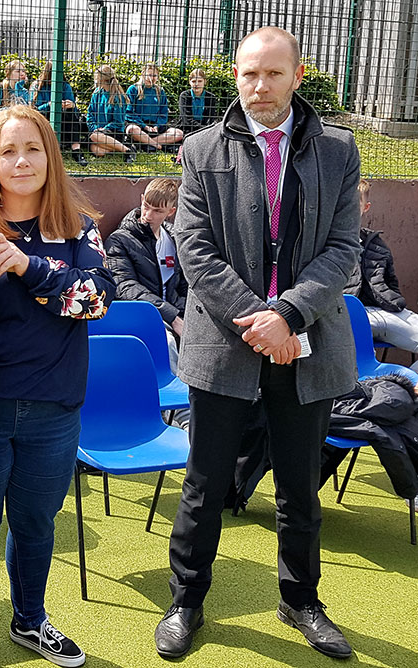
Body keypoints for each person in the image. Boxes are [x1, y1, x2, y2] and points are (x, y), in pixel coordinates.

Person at [155, 27, 361, 660]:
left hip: (306, 347)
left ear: (298, 75)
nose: (259, 86)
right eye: (249, 74)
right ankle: (187, 600)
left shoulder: (337, 150)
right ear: (236, 77)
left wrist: (290, 316)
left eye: (273, 74)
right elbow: (194, 249)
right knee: (205, 484)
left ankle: (301, 601)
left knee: (299, 486)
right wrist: (258, 318)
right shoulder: (200, 150)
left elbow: (343, 249)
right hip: (224, 344)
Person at [0, 103, 116, 668]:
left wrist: (29, 266)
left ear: (51, 156)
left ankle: (29, 621)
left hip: (54, 409)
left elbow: (95, 301)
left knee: (37, 524)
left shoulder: (79, 227)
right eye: (7, 150)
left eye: (32, 149)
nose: (21, 162)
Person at [104, 178, 185, 373]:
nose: (148, 215)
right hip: (141, 316)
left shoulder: (175, 238)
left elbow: (185, 284)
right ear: (141, 199)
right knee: (167, 343)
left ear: (170, 212)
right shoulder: (120, 240)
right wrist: (172, 316)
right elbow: (125, 286)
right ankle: (174, 399)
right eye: (146, 206)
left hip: (175, 312)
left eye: (158, 211)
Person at [344, 179, 418, 370]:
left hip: (383, 312)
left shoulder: (377, 245)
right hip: (344, 314)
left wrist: (396, 303)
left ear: (366, 207)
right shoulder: (321, 243)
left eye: (356, 204)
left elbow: (391, 283)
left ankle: (403, 387)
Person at [30, 61, 87, 166]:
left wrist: (71, 105)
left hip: (63, 118)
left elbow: (73, 106)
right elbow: (34, 110)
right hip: (44, 117)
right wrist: (50, 105)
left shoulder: (65, 86)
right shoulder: (37, 86)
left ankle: (76, 150)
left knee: (71, 112)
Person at [125, 62, 183, 152]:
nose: (151, 78)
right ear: (143, 74)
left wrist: (157, 126)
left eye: (154, 76)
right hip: (139, 126)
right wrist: (144, 126)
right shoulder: (133, 89)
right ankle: (157, 145)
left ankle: (144, 143)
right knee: (131, 130)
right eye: (149, 75)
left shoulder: (160, 91)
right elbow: (128, 113)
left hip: (155, 128)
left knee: (178, 133)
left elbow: (163, 113)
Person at [86, 64, 135, 163]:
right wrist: (95, 128)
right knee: (98, 151)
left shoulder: (118, 97)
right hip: (98, 131)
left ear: (102, 79)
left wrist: (104, 129)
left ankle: (128, 151)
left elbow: (118, 122)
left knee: (93, 137)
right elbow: (89, 113)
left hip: (113, 131)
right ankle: (123, 147)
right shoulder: (97, 93)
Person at [178, 68, 219, 136]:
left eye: (200, 81)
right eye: (194, 81)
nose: (197, 84)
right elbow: (186, 119)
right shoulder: (184, 96)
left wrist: (206, 129)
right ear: (189, 82)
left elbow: (210, 118)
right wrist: (201, 129)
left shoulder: (211, 97)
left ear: (205, 81)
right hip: (186, 128)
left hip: (205, 129)